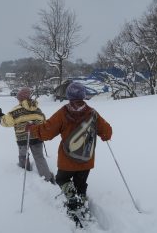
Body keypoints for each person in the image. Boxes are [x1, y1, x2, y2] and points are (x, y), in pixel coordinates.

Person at [26, 82, 112, 211]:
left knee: (61, 179)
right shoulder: (92, 113)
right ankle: (82, 202)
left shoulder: (63, 113)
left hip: (67, 158)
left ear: (68, 95)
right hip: (86, 159)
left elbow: (46, 132)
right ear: (83, 95)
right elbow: (107, 131)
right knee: (80, 183)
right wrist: (104, 135)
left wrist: (32, 128)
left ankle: (72, 199)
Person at [0, 87, 55, 184]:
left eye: (18, 98)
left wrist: (0, 115)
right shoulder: (38, 109)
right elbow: (44, 121)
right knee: (39, 156)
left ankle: (24, 169)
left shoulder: (15, 111)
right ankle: (47, 178)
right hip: (37, 137)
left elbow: (6, 122)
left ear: (21, 99)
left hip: (22, 138)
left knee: (23, 155)